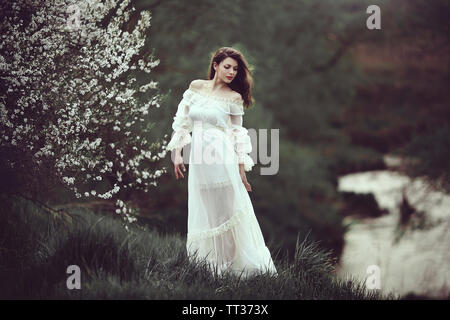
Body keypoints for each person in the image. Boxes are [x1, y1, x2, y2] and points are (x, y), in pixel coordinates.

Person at [166, 47, 277, 279]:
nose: (232, 72)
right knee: (208, 213)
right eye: (227, 66)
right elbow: (182, 122)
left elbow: (238, 135)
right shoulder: (196, 87)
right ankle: (211, 269)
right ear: (215, 65)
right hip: (199, 161)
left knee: (229, 213)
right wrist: (177, 153)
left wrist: (242, 170)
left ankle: (229, 270)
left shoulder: (233, 97)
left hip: (222, 158)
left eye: (236, 69)